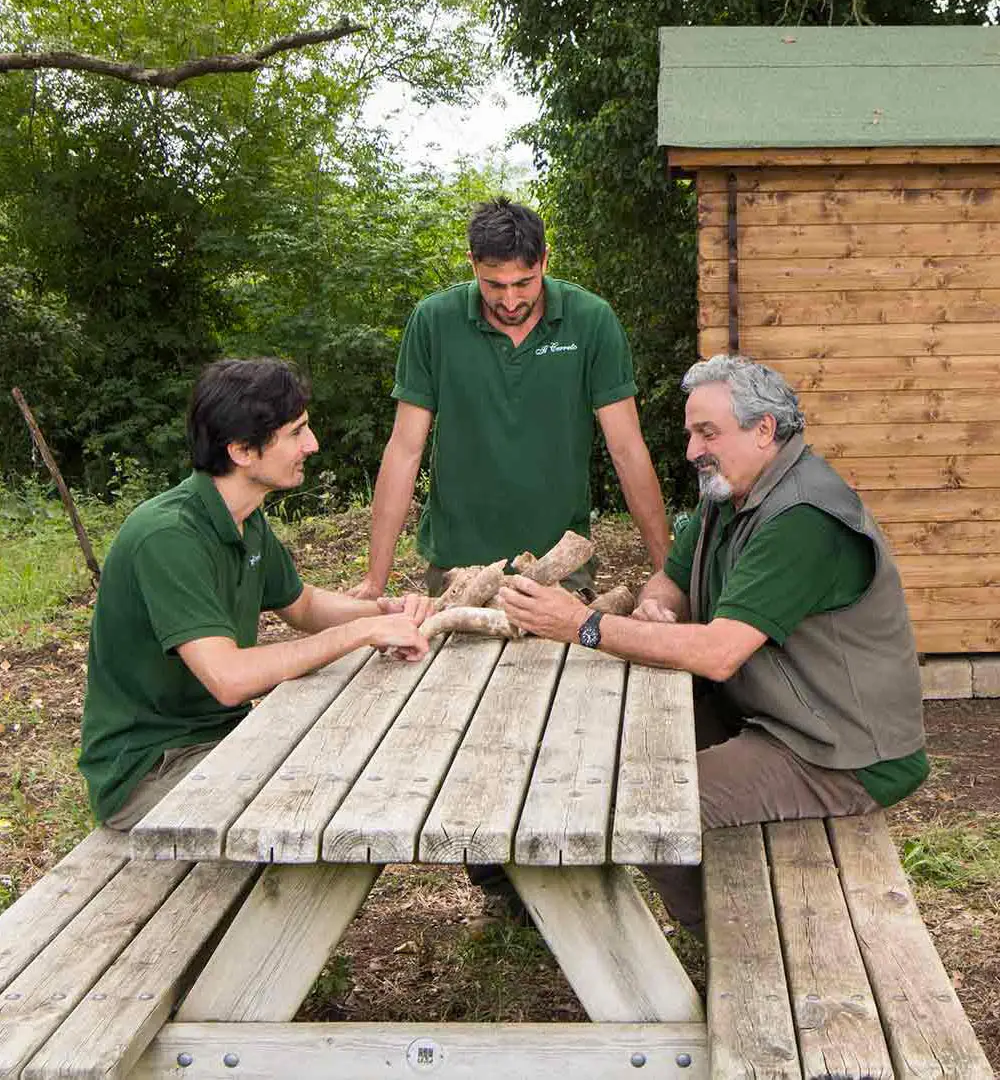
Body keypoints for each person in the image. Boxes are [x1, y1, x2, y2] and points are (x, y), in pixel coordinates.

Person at [499, 353, 928, 932]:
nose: (693, 451)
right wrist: (659, 606)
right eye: (690, 434)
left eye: (707, 433)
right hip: (772, 720)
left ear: (764, 430)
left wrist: (582, 625)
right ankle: (728, 932)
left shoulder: (803, 516)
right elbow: (671, 577)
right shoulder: (730, 492)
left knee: (642, 801)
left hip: (840, 754)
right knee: (608, 744)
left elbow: (720, 653)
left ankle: (738, 951)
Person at [79, 357, 430, 830]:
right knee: (327, 801)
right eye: (297, 432)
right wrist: (363, 632)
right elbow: (228, 679)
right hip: (152, 771)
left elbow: (302, 605)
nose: (313, 444)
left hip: (221, 739)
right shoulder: (168, 537)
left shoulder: (245, 518)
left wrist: (384, 611)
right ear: (243, 450)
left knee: (365, 753)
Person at [351, 196, 671, 600]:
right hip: (456, 566)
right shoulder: (434, 321)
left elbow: (626, 449)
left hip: (560, 567)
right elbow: (404, 449)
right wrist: (374, 581)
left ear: (545, 261)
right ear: (472, 264)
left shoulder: (591, 321)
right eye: (494, 285)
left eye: (524, 282)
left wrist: (664, 570)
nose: (510, 300)